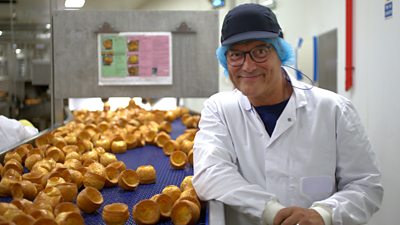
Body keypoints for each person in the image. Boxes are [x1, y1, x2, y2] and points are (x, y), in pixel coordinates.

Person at [192, 3, 383, 225]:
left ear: (280, 51)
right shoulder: (219, 109)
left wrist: (324, 214)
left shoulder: (334, 109)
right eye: (235, 54)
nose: (248, 65)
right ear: (226, 59)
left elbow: (365, 185)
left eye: (260, 51)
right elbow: (210, 173)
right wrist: (270, 210)